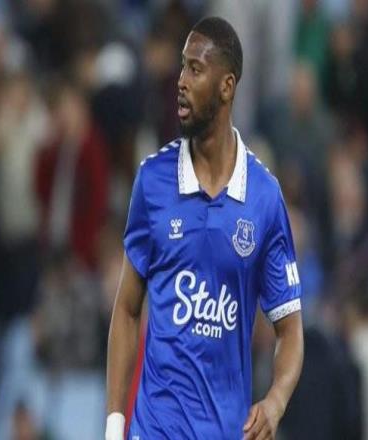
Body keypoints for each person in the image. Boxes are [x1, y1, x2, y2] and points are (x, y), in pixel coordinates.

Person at [106, 16, 304, 440]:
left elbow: (290, 330)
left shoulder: (263, 198)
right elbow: (126, 310)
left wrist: (275, 402)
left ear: (226, 86)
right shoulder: (153, 181)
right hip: (155, 429)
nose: (180, 81)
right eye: (182, 66)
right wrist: (113, 425)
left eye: (195, 69)